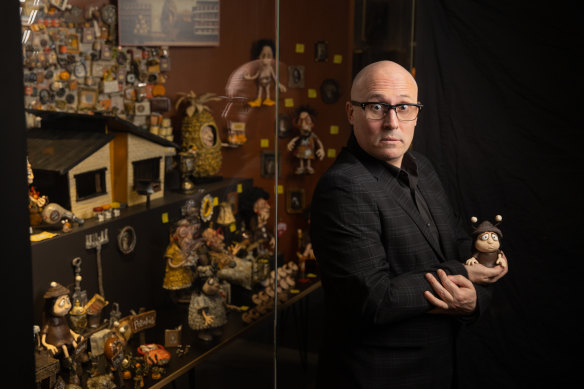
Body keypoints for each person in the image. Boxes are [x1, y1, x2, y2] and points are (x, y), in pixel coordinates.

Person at [310, 60, 508, 388]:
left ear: (416, 112)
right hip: (379, 375)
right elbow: (373, 299)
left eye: (403, 107)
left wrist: (475, 295)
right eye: (376, 106)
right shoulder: (343, 187)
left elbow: (458, 242)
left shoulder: (423, 168)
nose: (392, 122)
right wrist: (465, 272)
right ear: (350, 112)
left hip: (440, 365)